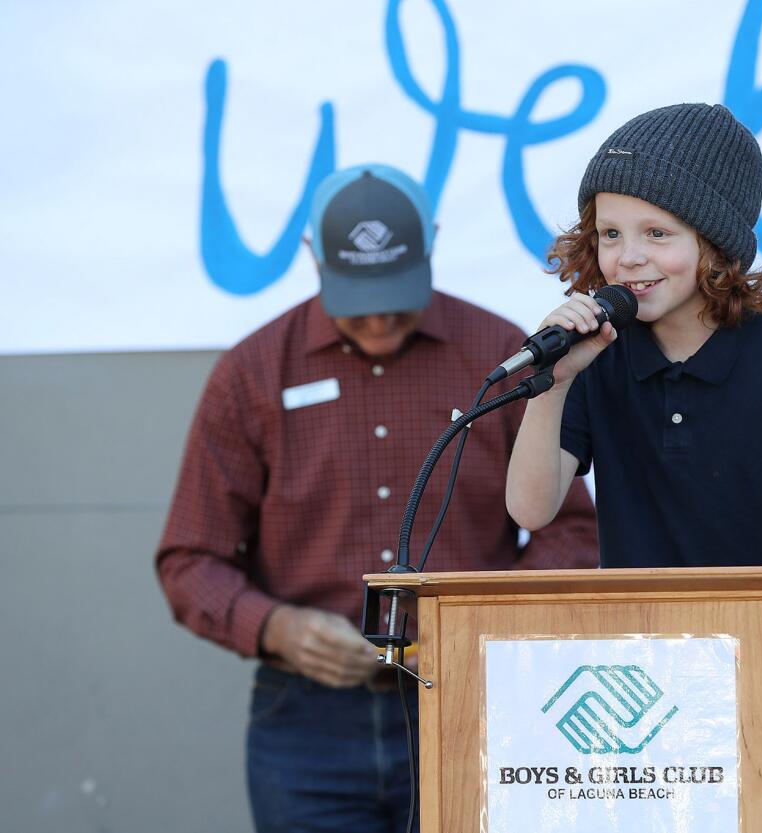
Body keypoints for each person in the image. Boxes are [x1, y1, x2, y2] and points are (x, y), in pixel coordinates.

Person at [156, 164, 599, 833]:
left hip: (473, 696)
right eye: (356, 296)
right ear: (312, 257)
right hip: (307, 717)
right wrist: (275, 627)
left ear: (434, 243)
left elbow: (572, 533)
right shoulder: (250, 373)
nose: (380, 316)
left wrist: (480, 628)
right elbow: (190, 557)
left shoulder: (502, 354)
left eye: (396, 291)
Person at [505, 103, 762, 617]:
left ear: (715, 245)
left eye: (657, 234)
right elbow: (531, 510)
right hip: (651, 664)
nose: (628, 256)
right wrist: (554, 383)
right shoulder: (595, 361)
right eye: (610, 234)